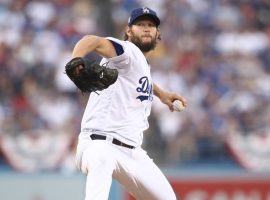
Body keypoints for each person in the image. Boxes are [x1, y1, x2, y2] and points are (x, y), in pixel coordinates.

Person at [73, 7, 187, 200]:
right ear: (128, 31)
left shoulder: (140, 63)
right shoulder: (127, 51)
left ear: (157, 33)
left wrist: (162, 94)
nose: (146, 29)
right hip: (99, 143)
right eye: (140, 24)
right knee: (102, 159)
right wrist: (76, 60)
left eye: (150, 25)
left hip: (133, 153)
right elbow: (91, 40)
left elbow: (140, 80)